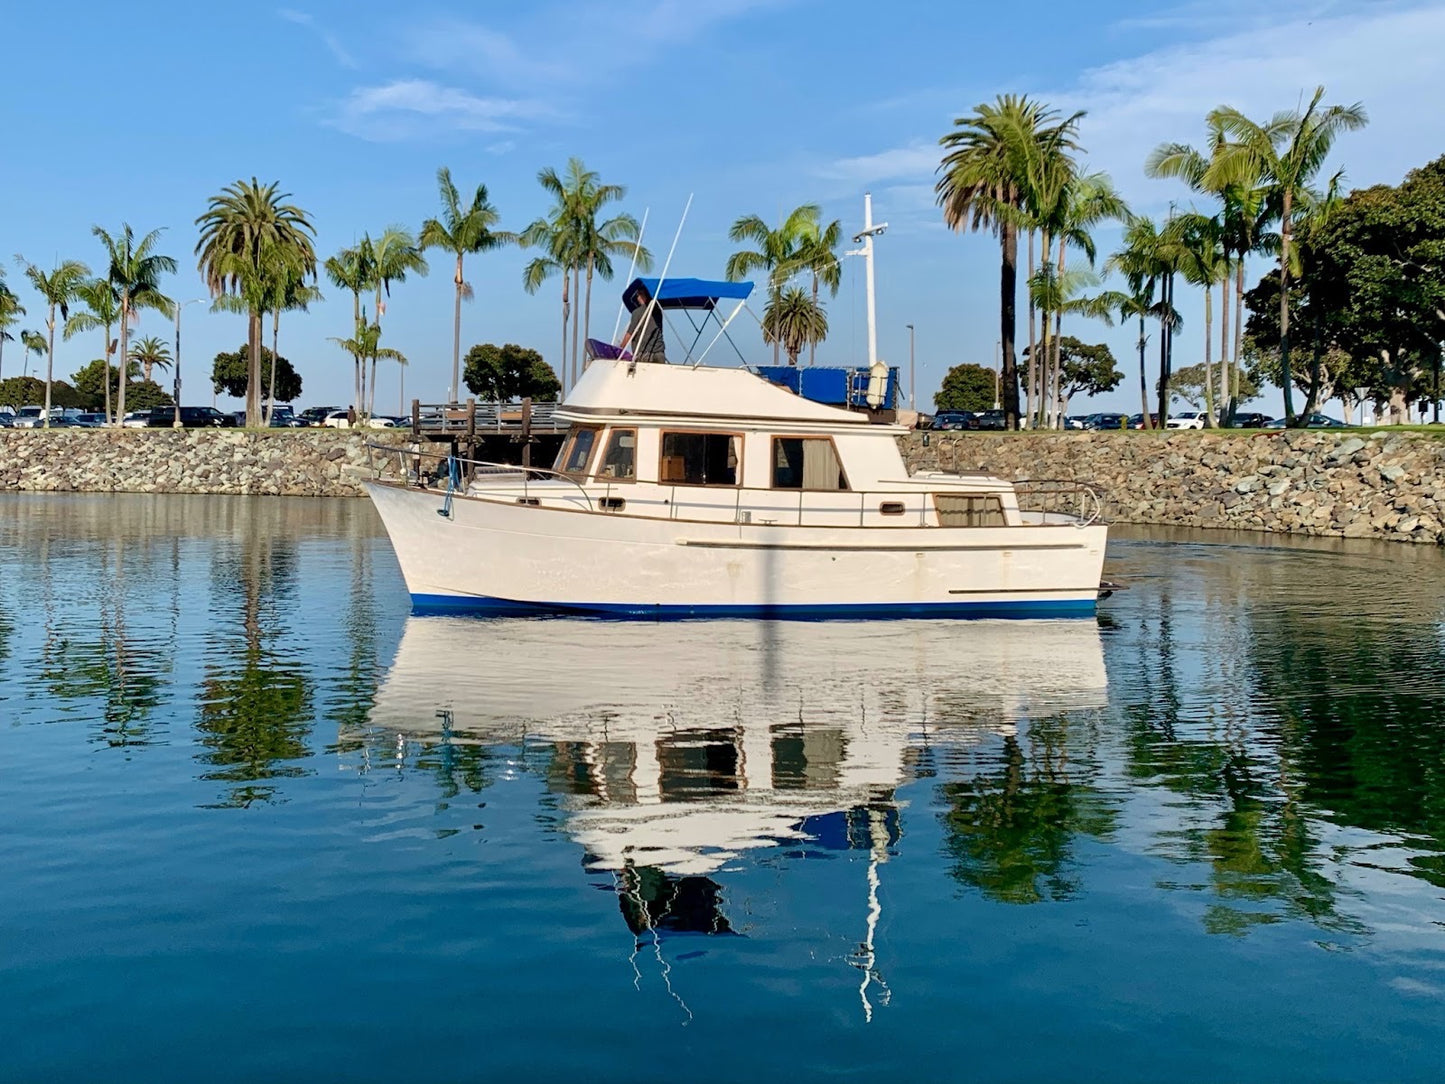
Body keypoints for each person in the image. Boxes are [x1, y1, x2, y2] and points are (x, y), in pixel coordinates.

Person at [620, 284, 667, 363]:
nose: (638, 298)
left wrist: (620, 350)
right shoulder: (658, 312)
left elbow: (630, 334)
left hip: (645, 355)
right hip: (660, 354)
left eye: (639, 294)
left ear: (644, 296)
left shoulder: (637, 312)